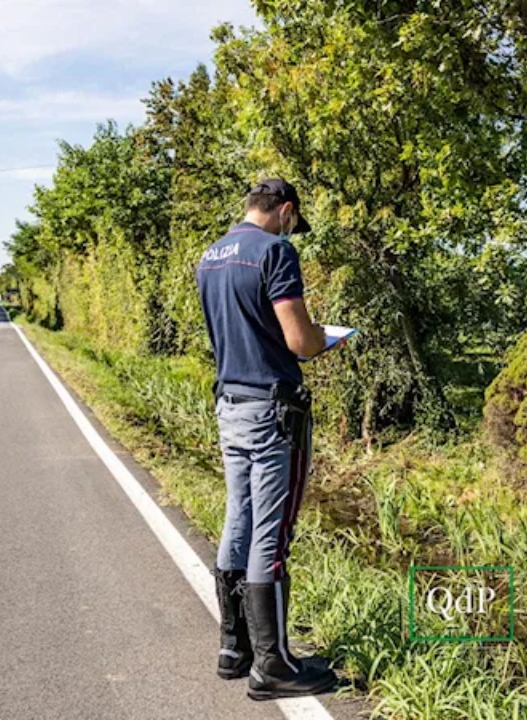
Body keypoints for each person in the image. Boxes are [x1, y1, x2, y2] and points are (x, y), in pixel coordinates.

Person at [196, 179, 337, 700]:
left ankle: (235, 649)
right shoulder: (276, 251)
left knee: (239, 516)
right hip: (272, 407)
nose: (291, 228)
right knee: (271, 532)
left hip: (229, 402)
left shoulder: (210, 256)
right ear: (285, 211)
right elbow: (299, 340)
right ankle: (273, 667)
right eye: (293, 221)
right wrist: (325, 336)